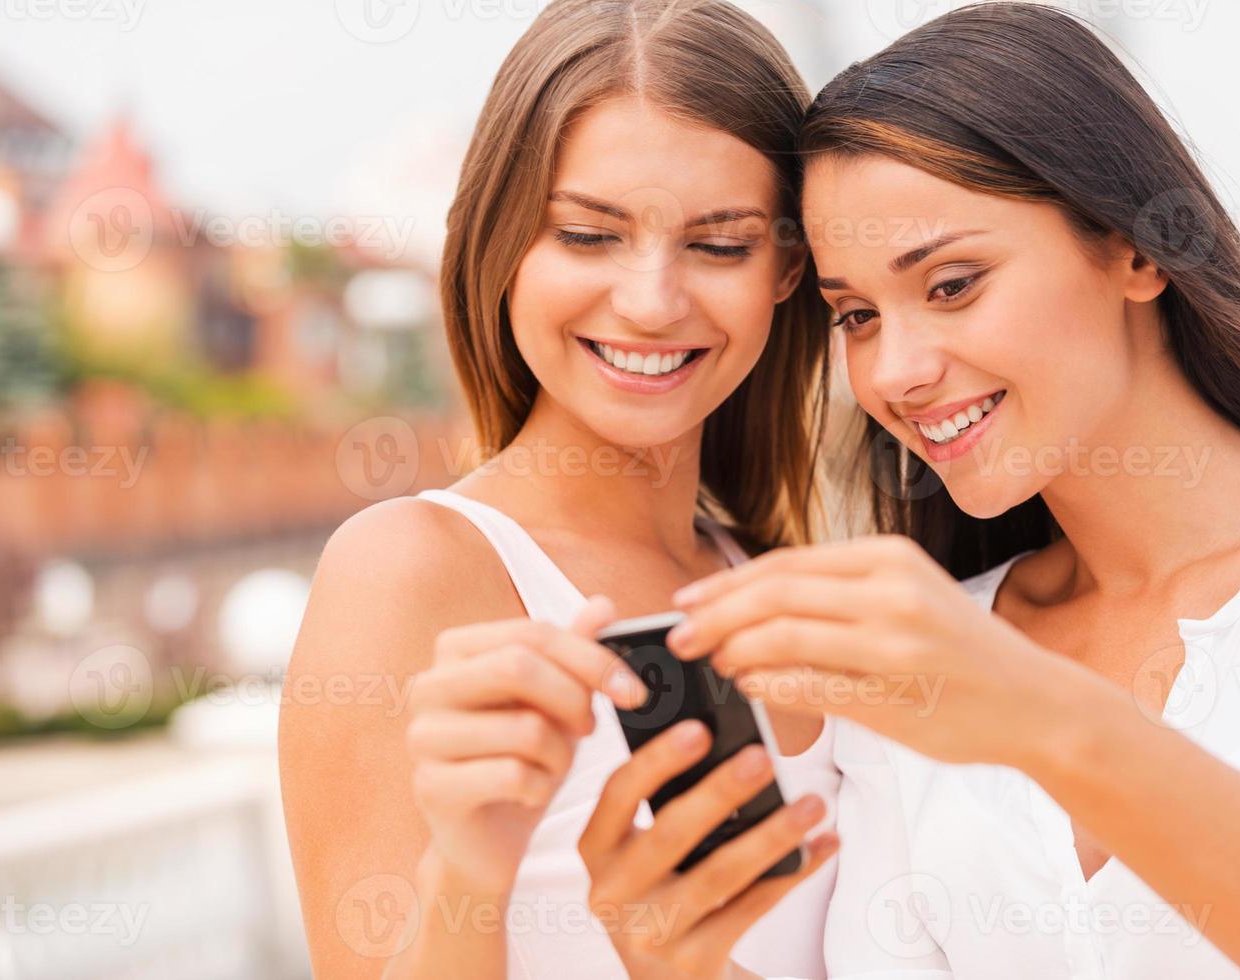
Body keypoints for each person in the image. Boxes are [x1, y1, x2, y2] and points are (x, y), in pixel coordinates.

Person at [584, 4, 1240, 978]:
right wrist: (676, 963)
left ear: (1134, 246)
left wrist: (1042, 716)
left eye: (950, 283)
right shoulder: (924, 656)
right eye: (856, 314)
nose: (895, 370)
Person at [277, 2, 841, 977]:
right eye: (588, 234)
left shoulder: (787, 587)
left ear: (786, 268)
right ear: (502, 244)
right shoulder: (409, 569)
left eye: (719, 244)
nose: (651, 301)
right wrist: (468, 870)